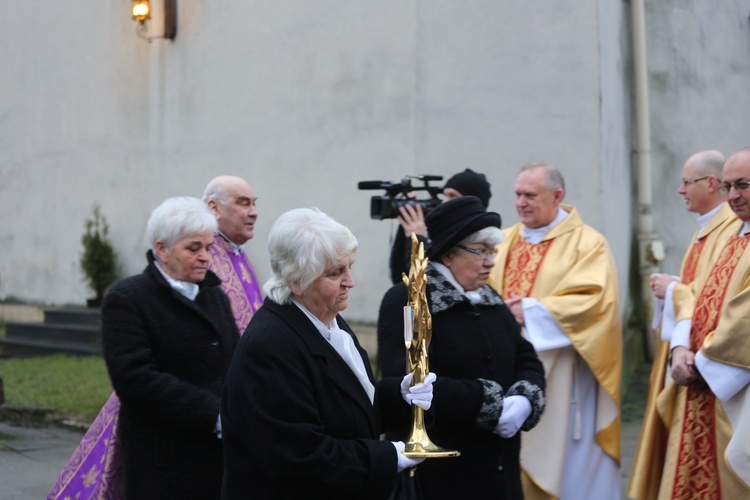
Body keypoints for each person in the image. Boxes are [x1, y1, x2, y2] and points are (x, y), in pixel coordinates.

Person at [221, 207, 436, 499]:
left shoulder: (326, 316)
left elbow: (344, 408)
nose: (350, 281)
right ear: (296, 282)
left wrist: (398, 396)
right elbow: (298, 455)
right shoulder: (270, 346)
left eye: (350, 266)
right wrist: (388, 455)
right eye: (336, 272)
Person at [378, 196, 546, 499]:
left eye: (492, 251)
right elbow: (406, 382)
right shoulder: (409, 299)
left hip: (499, 471)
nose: (491, 261)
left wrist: (524, 398)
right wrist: (489, 404)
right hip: (443, 476)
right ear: (448, 255)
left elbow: (525, 356)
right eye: (480, 251)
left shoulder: (489, 298)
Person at [489, 163, 622, 500]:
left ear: (557, 196)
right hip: (507, 367)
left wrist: (530, 311)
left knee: (565, 461)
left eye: (530, 195)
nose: (521, 202)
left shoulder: (588, 243)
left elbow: (595, 301)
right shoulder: (502, 240)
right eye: (518, 194)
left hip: (564, 373)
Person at [101, 197, 238, 499]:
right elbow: (135, 378)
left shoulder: (215, 296)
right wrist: (213, 414)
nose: (205, 257)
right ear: (162, 249)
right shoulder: (128, 299)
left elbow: (236, 364)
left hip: (219, 456)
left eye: (208, 247)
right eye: (193, 248)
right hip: (163, 460)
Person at [628, 150, 736, 499]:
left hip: (715, 367)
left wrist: (673, 290)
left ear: (710, 183)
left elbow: (725, 303)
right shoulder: (709, 229)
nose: (679, 190)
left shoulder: (731, 230)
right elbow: (706, 292)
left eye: (686, 182)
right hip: (694, 359)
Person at [660, 147, 750, 497]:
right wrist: (682, 344)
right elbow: (699, 293)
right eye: (728, 187)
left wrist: (700, 362)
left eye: (743, 185)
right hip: (707, 378)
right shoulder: (733, 237)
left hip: (732, 383)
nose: (733, 196)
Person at [389, 168, 492, 284]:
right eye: (445, 195)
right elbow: (400, 279)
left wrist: (417, 240)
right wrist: (407, 223)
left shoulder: (479, 243)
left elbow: (428, 285)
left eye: (452, 196)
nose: (444, 202)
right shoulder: (444, 233)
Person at [202, 175, 263, 332]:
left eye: (253, 204)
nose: (254, 213)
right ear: (214, 208)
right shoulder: (203, 254)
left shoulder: (237, 249)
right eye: (244, 204)